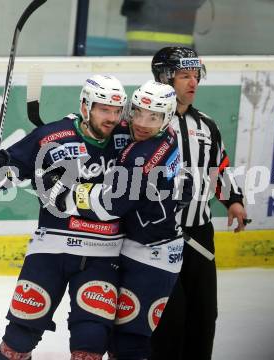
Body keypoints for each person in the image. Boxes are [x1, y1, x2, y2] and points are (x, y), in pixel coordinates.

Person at [0, 74, 131, 360]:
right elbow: (4, 176)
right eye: (104, 109)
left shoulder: (128, 137)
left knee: (91, 344)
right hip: (50, 249)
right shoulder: (51, 136)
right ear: (86, 106)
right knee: (17, 342)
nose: (112, 117)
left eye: (116, 110)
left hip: (103, 252)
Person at [52, 80, 188, 360]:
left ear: (168, 117)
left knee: (130, 343)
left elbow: (112, 204)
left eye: (153, 117)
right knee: (117, 339)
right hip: (142, 246)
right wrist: (74, 124)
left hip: (151, 256)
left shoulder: (144, 157)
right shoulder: (163, 134)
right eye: (137, 112)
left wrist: (65, 194)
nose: (141, 122)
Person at [149, 47, 248, 360]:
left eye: (196, 76)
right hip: (160, 237)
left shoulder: (207, 125)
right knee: (169, 319)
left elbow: (218, 169)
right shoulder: (144, 123)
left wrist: (233, 201)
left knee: (204, 316)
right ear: (165, 78)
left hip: (200, 237)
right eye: (184, 76)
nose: (193, 83)